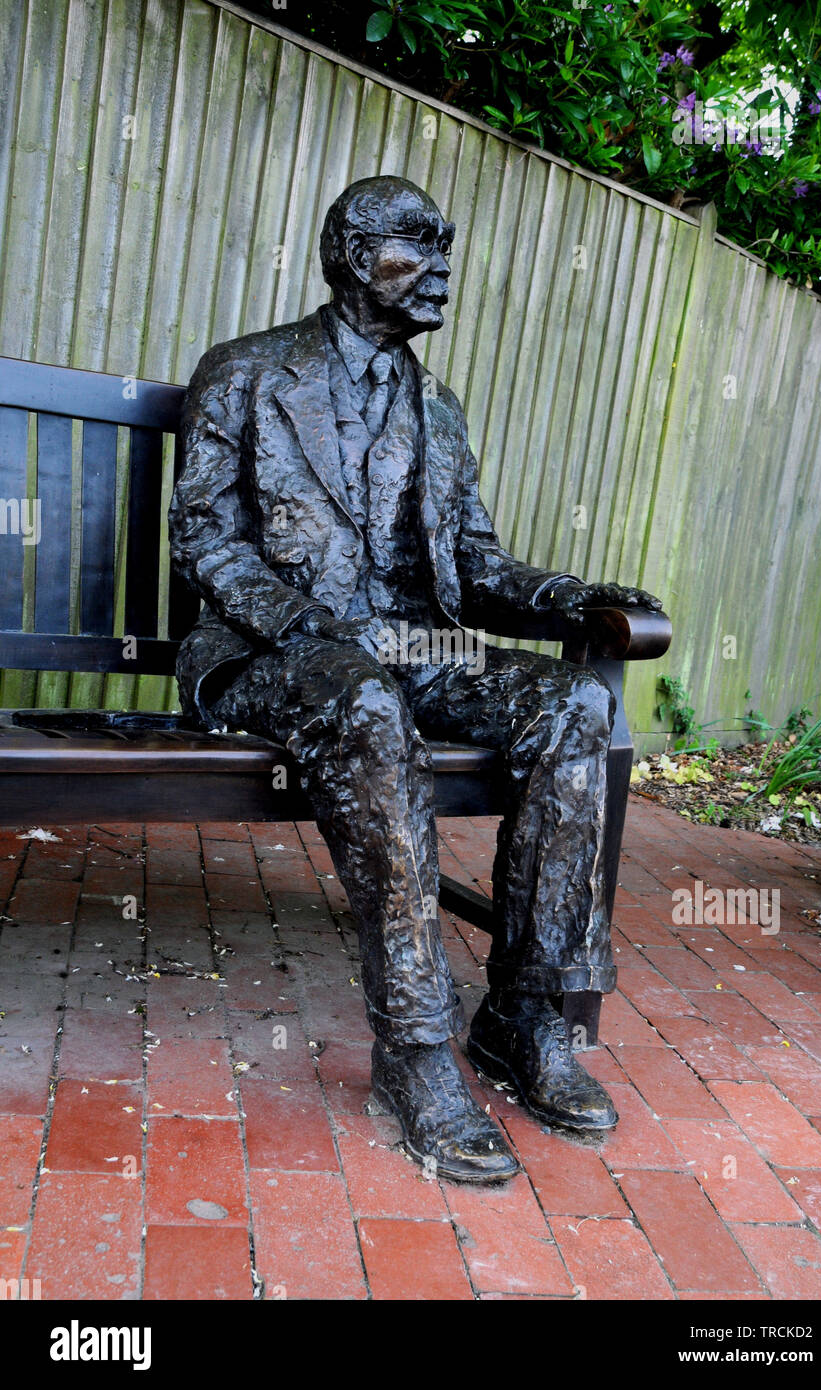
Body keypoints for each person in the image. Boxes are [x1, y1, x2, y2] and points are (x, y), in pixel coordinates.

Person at [169, 175, 662, 1183]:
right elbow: (206, 539)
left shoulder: (436, 409)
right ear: (356, 256)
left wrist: (570, 596)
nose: (444, 265)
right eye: (421, 245)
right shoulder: (247, 374)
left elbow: (474, 568)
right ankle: (418, 1045)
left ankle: (524, 1020)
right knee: (362, 694)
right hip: (271, 656)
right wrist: (309, 627)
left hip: (409, 648)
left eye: (448, 244)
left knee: (573, 700)